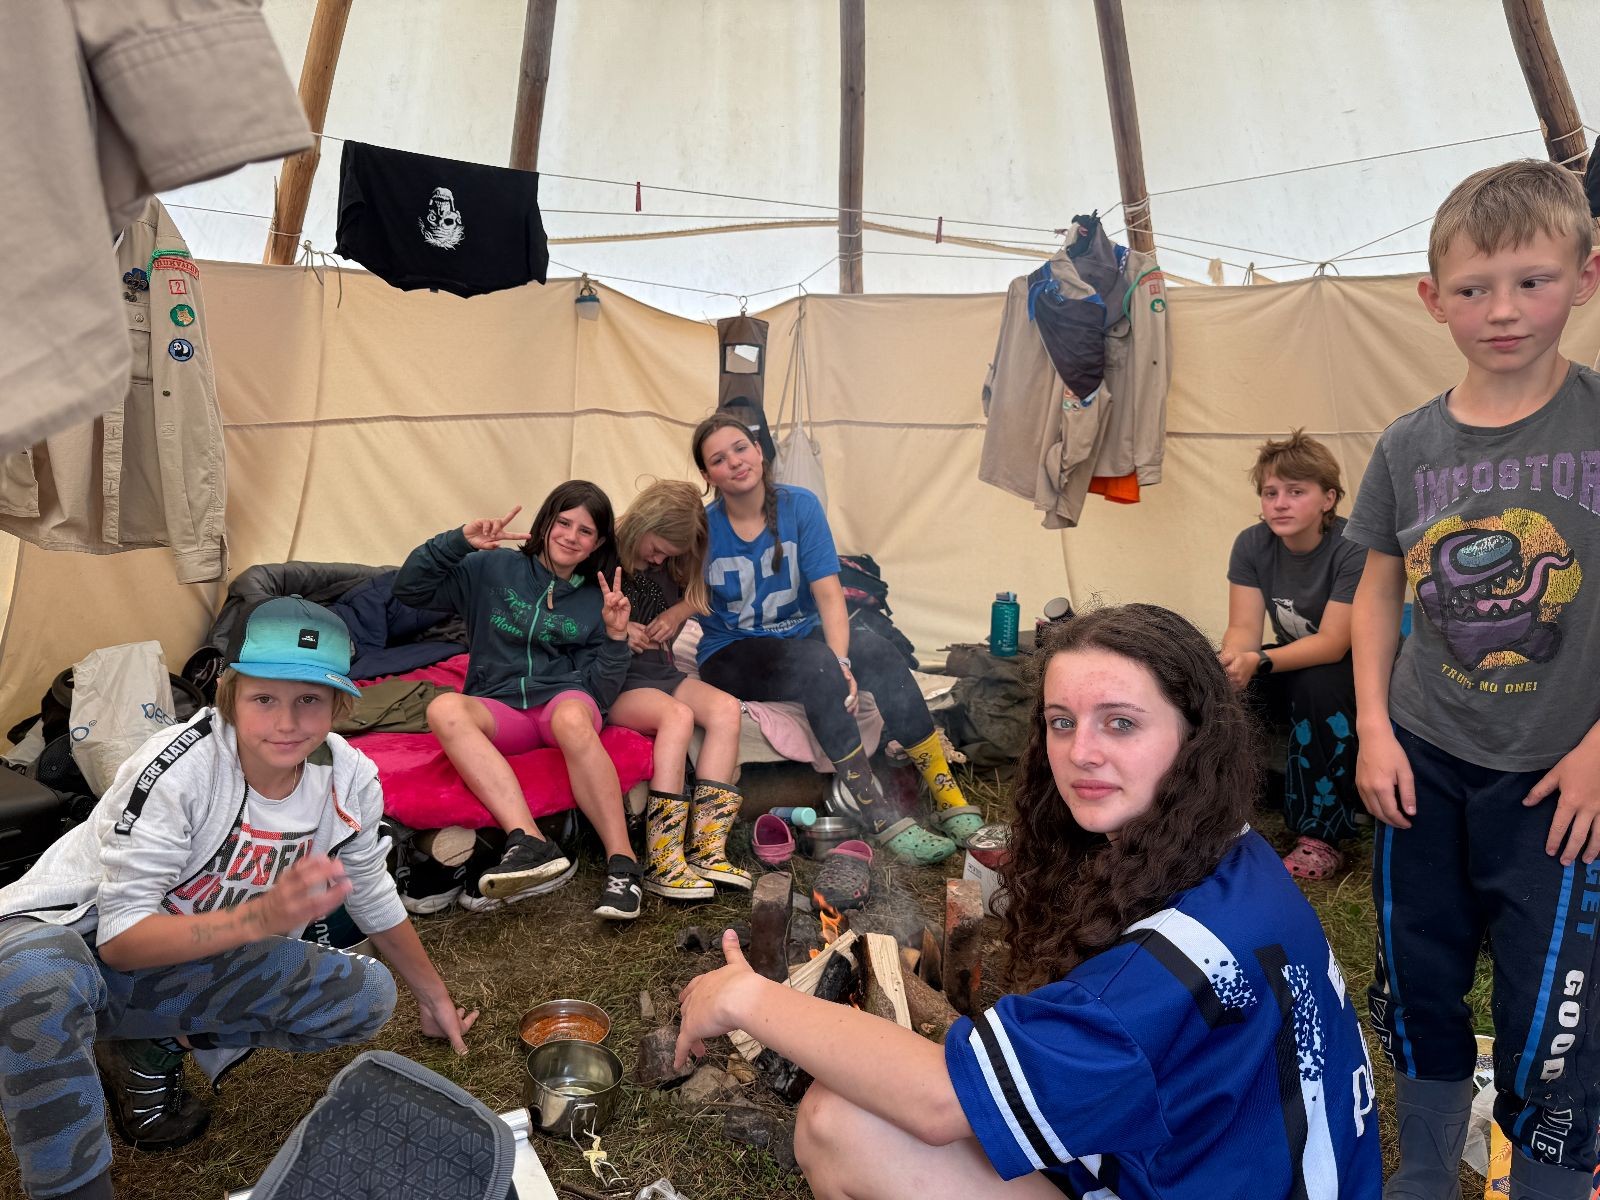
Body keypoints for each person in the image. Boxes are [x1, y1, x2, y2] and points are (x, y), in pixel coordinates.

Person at [674, 604, 1380, 1198]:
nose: (1080, 752)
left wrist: (745, 998)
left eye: (1121, 723)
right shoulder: (1232, 853)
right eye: (1062, 721)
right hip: (1221, 1164)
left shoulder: (1166, 969)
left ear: (1196, 735)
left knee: (839, 1125)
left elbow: (939, 1102)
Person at [0, 597, 477, 1200]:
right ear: (229, 694)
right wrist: (262, 917)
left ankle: (146, 1041)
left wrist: (434, 998)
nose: (287, 722)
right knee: (39, 976)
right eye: (264, 698)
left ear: (339, 704)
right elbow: (120, 940)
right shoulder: (181, 768)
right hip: (71, 933)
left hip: (176, 958)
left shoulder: (349, 777)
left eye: (310, 700)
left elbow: (372, 888)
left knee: (366, 997)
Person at [1344, 159, 1600, 1200]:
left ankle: (1546, 1179)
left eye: (1532, 281)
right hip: (1423, 759)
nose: (1503, 310)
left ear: (1585, 278)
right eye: (1474, 288)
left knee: (1556, 1012)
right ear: (1431, 298)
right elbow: (1375, 589)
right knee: (1418, 976)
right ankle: (1421, 1172)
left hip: (1561, 778)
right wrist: (1373, 727)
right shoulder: (1408, 444)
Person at [690, 412, 974, 865]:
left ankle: (947, 796)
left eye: (741, 448)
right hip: (732, 650)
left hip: (800, 632)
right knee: (813, 663)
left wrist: (844, 661)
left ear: (759, 451)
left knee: (876, 651)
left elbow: (828, 595)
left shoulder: (799, 506)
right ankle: (877, 813)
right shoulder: (702, 528)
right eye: (719, 459)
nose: (735, 462)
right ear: (708, 476)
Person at [393, 481, 643, 921]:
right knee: (443, 708)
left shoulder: (595, 598)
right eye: (563, 523)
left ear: (598, 543)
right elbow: (409, 589)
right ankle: (529, 840)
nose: (571, 536)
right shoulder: (490, 568)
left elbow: (600, 692)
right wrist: (457, 542)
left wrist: (616, 636)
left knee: (571, 717)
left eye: (585, 531)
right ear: (545, 524)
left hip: (560, 705)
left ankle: (623, 864)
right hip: (499, 707)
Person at [1220, 430, 1365, 879]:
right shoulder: (1252, 544)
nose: (1280, 504)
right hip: (1292, 660)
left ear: (1328, 498)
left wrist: (1261, 661)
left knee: (1318, 684)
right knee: (1224, 685)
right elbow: (1244, 629)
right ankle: (1219, 812)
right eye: (1271, 493)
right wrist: (1232, 663)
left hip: (1358, 668)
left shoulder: (1352, 546)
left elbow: (1334, 642)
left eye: (1296, 492)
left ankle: (1321, 834)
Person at [609, 480, 749, 901]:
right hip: (614, 679)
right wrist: (615, 632)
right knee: (677, 715)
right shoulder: (604, 547)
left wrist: (677, 612)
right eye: (656, 549)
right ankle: (662, 858)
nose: (658, 559)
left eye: (668, 554)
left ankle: (707, 848)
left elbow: (701, 591)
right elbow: (566, 607)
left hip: (660, 671)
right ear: (642, 523)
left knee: (726, 708)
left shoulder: (675, 559)